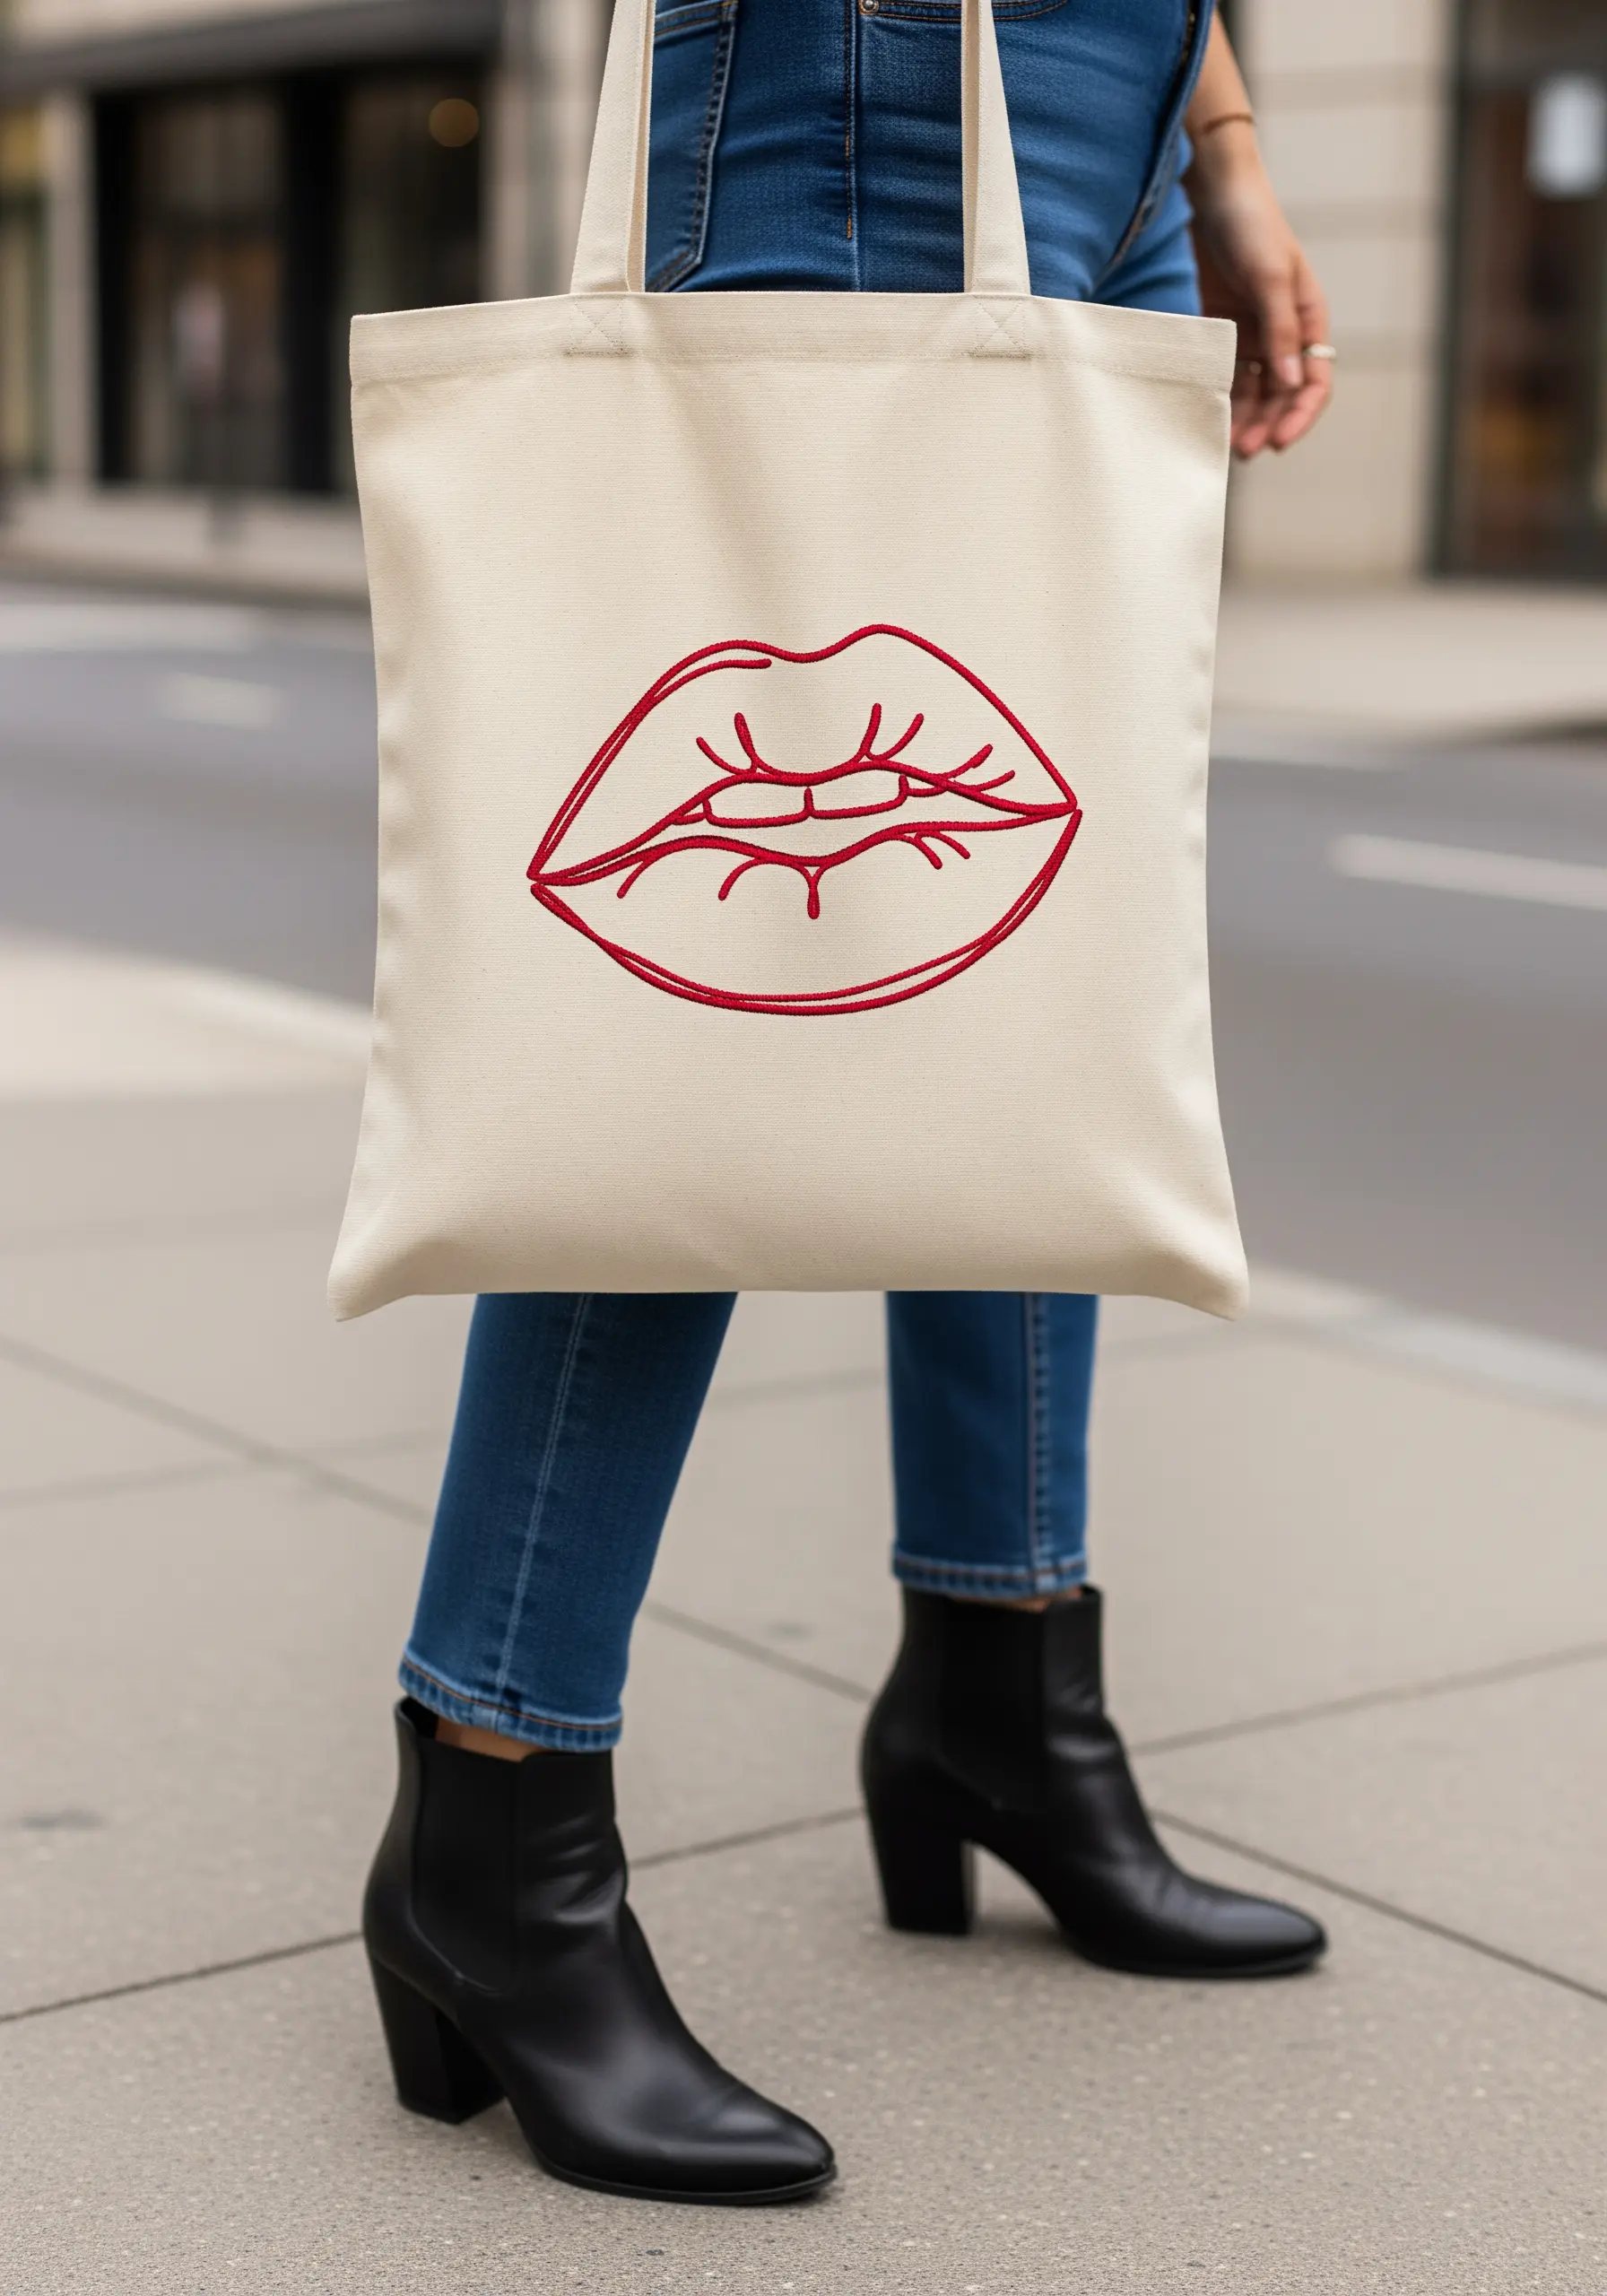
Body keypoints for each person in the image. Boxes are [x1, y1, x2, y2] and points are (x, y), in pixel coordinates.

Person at [361, 0, 1335, 2207]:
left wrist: (1221, 129)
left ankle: (1004, 1691)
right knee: (710, 993)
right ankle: (488, 1819)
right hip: (844, 80)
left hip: (1111, 126)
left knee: (1008, 950)